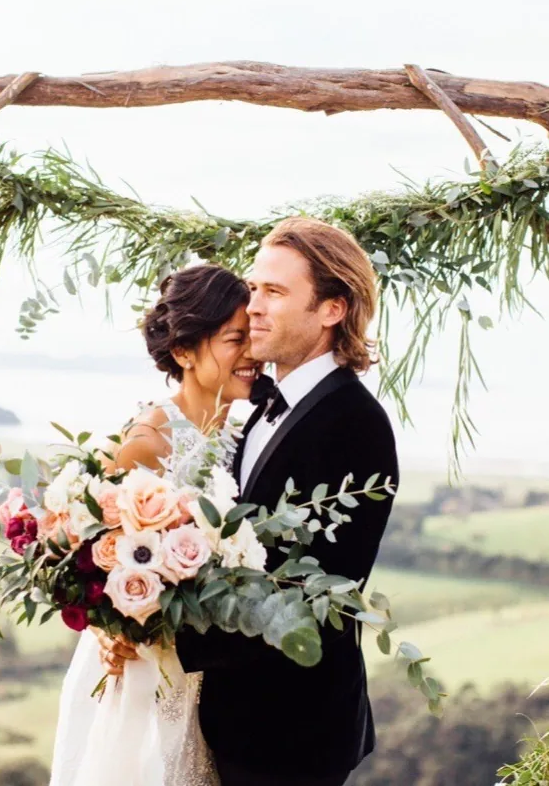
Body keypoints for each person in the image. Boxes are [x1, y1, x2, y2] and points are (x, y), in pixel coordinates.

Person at [175, 217, 399, 785]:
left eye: (274, 291)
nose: (252, 306)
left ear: (332, 309)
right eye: (253, 288)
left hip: (293, 730)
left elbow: (306, 594)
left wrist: (160, 633)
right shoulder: (263, 406)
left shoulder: (355, 424)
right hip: (236, 719)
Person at [49, 264, 261, 786]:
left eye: (252, 337)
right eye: (236, 340)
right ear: (185, 352)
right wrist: (109, 628)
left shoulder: (239, 431)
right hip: (143, 671)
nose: (252, 354)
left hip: (200, 671)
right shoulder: (149, 439)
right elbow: (91, 559)